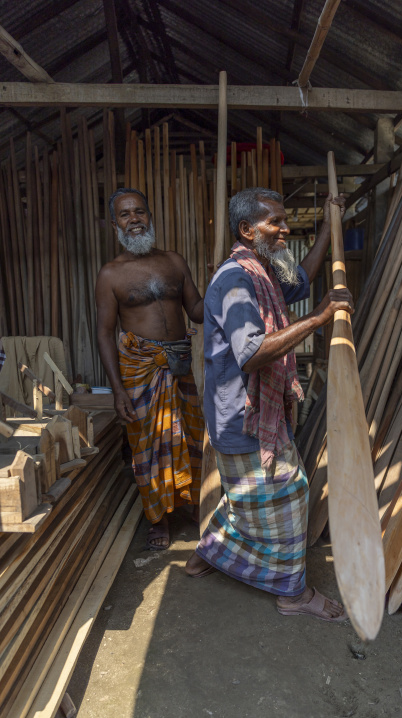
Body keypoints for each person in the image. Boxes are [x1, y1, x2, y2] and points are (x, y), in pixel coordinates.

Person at [186, 187, 354, 622]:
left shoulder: (263, 270)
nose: (284, 229)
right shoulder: (235, 281)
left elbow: (301, 277)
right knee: (291, 495)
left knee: (246, 497)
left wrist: (328, 227)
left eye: (284, 221)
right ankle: (292, 594)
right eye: (274, 222)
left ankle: (206, 555)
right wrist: (318, 318)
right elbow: (252, 352)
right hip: (242, 415)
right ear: (246, 229)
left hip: (255, 411)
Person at [96, 188, 205, 550]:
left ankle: (192, 502)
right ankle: (157, 518)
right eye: (125, 215)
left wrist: (224, 287)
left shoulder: (174, 261)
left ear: (149, 216)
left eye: (139, 212)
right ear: (115, 224)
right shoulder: (111, 274)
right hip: (141, 372)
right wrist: (117, 390)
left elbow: (198, 311)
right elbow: (104, 333)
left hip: (181, 363)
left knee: (191, 437)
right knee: (147, 445)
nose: (134, 220)